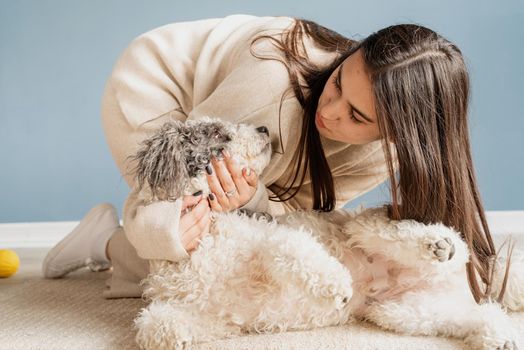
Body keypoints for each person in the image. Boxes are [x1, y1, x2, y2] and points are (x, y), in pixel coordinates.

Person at [42, 14, 507, 304]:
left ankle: (111, 244)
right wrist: (165, 233)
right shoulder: (271, 83)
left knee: (244, 242)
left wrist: (254, 197)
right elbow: (157, 196)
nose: (330, 109)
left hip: (241, 118)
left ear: (397, 134)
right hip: (157, 85)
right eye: (340, 81)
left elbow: (299, 215)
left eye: (357, 115)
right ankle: (102, 242)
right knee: (188, 252)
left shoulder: (379, 156)